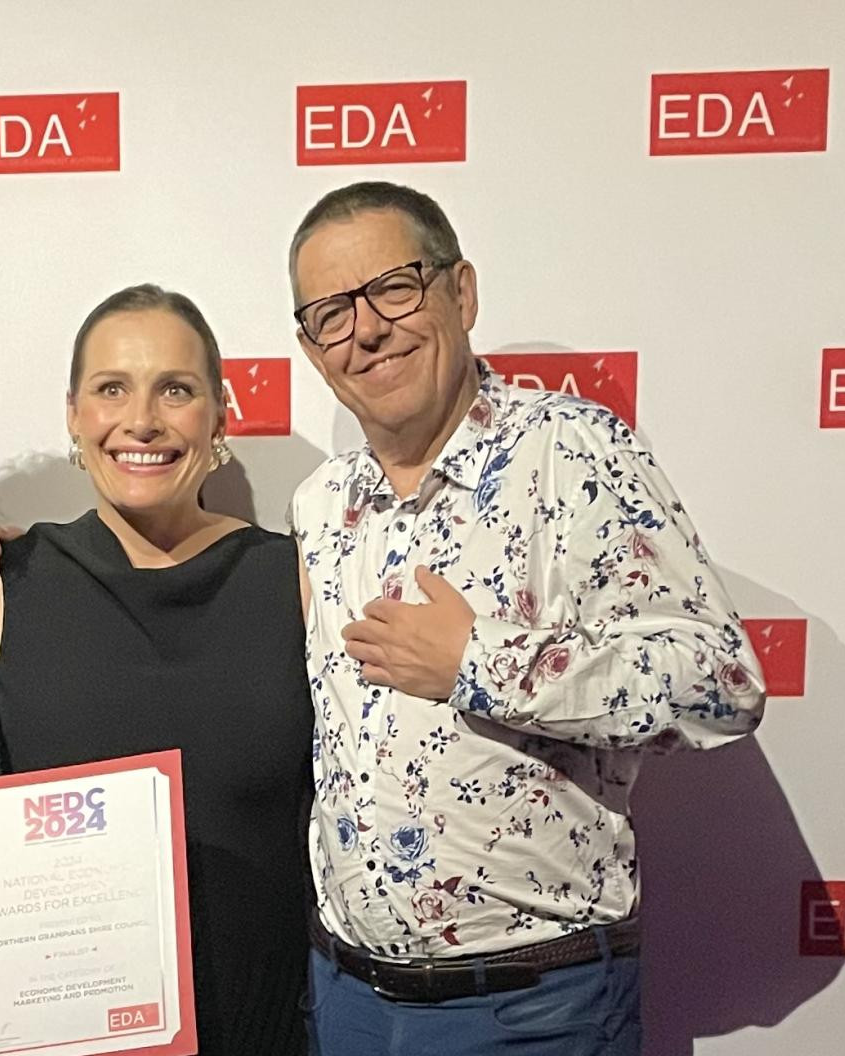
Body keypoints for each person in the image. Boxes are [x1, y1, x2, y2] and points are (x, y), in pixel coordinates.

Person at [287, 181, 767, 1054]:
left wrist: (479, 662)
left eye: (394, 288)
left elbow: (721, 682)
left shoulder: (575, 450)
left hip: (535, 1007)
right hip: (348, 998)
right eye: (330, 313)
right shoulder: (320, 506)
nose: (365, 328)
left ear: (460, 292)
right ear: (311, 347)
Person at [0, 285, 313, 1055]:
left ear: (220, 414)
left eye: (177, 390)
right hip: (60, 1034)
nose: (143, 421)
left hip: (264, 1033)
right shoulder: (5, 583)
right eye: (111, 389)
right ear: (73, 413)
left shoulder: (293, 579)